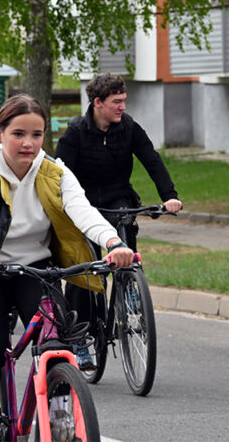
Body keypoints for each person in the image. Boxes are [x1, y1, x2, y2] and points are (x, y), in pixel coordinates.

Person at [0, 94, 136, 442]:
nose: (28, 143)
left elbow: (83, 210)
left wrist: (114, 243)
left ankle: (60, 430)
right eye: (18, 134)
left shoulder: (54, 172)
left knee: (56, 346)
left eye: (36, 134)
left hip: (37, 272)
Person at [54, 73, 182, 359]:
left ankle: (129, 284)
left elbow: (151, 158)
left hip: (117, 198)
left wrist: (169, 195)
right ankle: (80, 338)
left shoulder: (128, 127)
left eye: (124, 101)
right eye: (117, 102)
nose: (123, 107)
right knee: (85, 272)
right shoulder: (75, 131)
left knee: (126, 234)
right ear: (98, 103)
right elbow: (58, 173)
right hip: (82, 204)